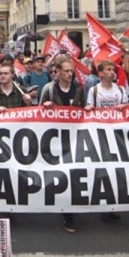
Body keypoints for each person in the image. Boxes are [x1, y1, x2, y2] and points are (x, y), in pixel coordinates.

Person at [40, 57, 85, 233]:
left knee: (73, 173)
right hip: (55, 139)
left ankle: (69, 212)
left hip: (74, 138)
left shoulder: (79, 89)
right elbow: (37, 113)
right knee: (59, 173)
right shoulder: (49, 89)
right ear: (57, 73)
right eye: (66, 71)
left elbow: (83, 110)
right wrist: (45, 106)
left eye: (71, 71)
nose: (69, 74)